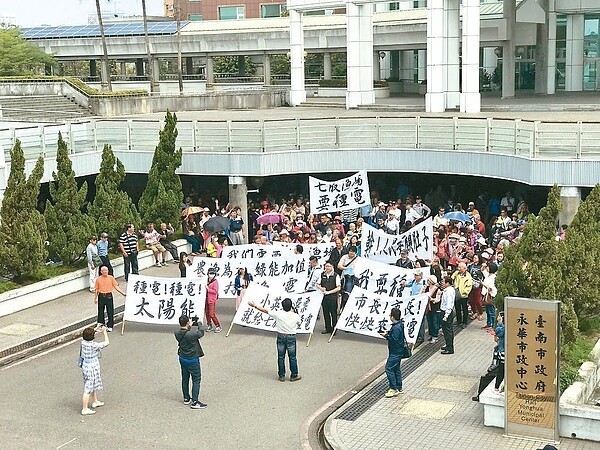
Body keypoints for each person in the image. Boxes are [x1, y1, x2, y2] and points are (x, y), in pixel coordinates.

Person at [248, 298, 302, 382]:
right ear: (291, 306)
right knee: (292, 357)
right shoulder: (295, 315)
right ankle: (294, 375)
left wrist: (255, 306)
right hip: (291, 337)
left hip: (281, 336)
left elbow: (265, 310)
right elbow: (299, 322)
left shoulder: (278, 313)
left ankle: (281, 375)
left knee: (281, 357)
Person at [174, 315, 207, 409]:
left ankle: (186, 398)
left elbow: (186, 332)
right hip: (192, 359)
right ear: (187, 322)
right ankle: (195, 401)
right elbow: (201, 333)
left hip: (182, 358)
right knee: (196, 379)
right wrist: (199, 323)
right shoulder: (191, 334)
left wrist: (190, 325)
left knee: (185, 378)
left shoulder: (177, 333)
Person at [80, 325, 110, 415]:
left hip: (86, 365)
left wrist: (96, 329)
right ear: (92, 337)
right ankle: (84, 408)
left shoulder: (83, 342)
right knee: (88, 388)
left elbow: (89, 334)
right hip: (92, 367)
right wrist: (104, 332)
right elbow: (106, 342)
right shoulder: (94, 345)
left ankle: (95, 401)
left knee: (91, 384)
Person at [379, 307, 405, 398]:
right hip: (399, 350)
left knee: (389, 368)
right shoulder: (399, 325)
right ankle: (399, 387)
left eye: (390, 315)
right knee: (396, 369)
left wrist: (386, 335)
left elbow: (394, 339)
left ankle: (393, 388)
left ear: (393, 317)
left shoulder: (396, 327)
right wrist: (388, 332)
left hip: (395, 351)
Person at [94, 265, 126, 332]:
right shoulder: (98, 279)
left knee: (110, 311)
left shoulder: (111, 278)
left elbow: (116, 286)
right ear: (101, 272)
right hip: (101, 296)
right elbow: (96, 289)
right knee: (100, 310)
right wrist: (95, 298)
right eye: (104, 271)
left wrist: (122, 293)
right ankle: (100, 324)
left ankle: (110, 325)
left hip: (109, 296)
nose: (105, 272)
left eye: (106, 270)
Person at [317, 261, 341, 335]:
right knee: (325, 313)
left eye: (329, 266)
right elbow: (317, 284)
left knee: (333, 313)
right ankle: (328, 328)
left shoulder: (336, 275)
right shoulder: (322, 274)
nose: (327, 268)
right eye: (326, 266)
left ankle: (334, 329)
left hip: (332, 297)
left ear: (332, 267)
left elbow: (338, 287)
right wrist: (321, 288)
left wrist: (329, 292)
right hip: (324, 297)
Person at [452, 262, 473, 327]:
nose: (458, 268)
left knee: (464, 309)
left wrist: (464, 292)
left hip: (464, 295)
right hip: (456, 294)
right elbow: (451, 279)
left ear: (464, 268)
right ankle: (459, 321)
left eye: (460, 267)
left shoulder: (468, 276)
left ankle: (465, 322)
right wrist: (455, 273)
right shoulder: (457, 274)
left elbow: (469, 286)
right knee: (457, 308)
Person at [337, 245, 358, 310]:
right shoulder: (344, 257)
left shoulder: (357, 258)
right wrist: (347, 268)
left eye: (353, 252)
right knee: (344, 293)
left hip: (353, 279)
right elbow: (339, 266)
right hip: (345, 278)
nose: (351, 253)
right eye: (350, 252)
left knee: (351, 294)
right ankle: (342, 307)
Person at [440, 275, 456, 355]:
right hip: (445, 311)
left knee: (448, 331)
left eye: (443, 281)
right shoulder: (447, 290)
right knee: (446, 331)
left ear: (448, 283)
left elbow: (449, 304)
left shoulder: (449, 292)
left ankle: (450, 348)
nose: (442, 283)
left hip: (447, 312)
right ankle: (448, 345)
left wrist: (446, 315)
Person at [205, 268, 221, 333]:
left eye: (213, 274)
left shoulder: (215, 282)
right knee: (207, 313)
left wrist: (208, 289)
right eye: (210, 274)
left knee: (211, 314)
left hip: (211, 299)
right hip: (206, 298)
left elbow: (215, 291)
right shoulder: (206, 280)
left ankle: (218, 325)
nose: (211, 275)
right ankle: (209, 325)